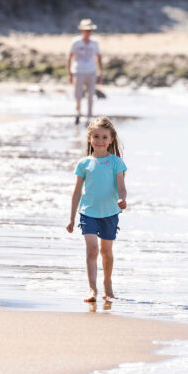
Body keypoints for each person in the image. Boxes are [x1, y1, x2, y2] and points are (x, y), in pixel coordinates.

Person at [66, 116, 127, 302]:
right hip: (88, 212)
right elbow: (76, 192)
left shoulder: (116, 163)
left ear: (111, 140)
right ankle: (92, 289)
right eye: (96, 136)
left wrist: (122, 199)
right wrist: (71, 218)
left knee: (106, 252)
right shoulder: (84, 164)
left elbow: (121, 187)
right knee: (92, 250)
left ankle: (107, 285)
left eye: (104, 137)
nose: (100, 141)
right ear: (89, 138)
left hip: (109, 213)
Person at [67, 19, 103, 125]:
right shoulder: (76, 42)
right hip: (78, 71)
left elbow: (99, 58)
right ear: (82, 30)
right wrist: (69, 73)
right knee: (78, 95)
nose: (89, 32)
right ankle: (78, 113)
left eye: (90, 30)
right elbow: (69, 57)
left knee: (91, 95)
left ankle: (89, 117)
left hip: (91, 71)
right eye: (87, 30)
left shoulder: (95, 43)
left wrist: (100, 73)